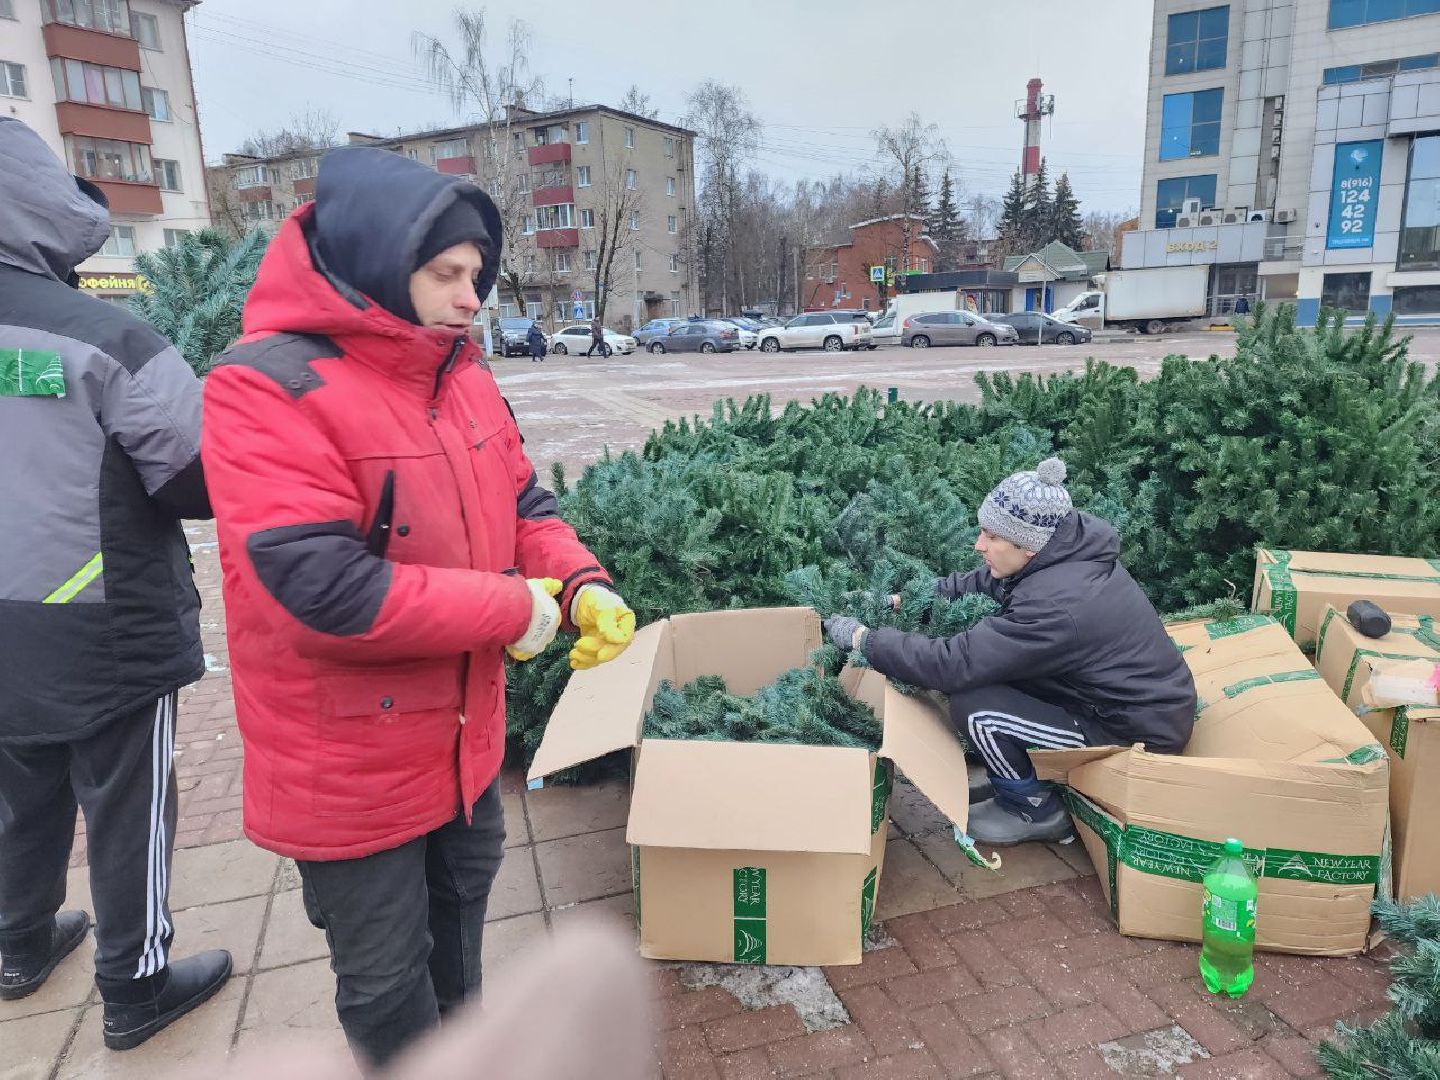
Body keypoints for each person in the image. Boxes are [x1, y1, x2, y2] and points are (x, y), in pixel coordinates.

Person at [201, 146, 636, 1070]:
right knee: (387, 985)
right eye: (448, 273)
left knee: (462, 953)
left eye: (476, 274)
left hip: (463, 746)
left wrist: (578, 583)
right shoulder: (265, 386)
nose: (471, 295)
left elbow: (526, 506)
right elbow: (323, 590)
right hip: (350, 768)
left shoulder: (460, 374)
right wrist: (511, 610)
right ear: (376, 260)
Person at [0, 118, 231, 1048]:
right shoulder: (105, 336)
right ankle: (135, 988)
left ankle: (17, 946)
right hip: (105, 626)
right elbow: (199, 476)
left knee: (20, 789)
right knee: (129, 805)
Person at [824, 457, 1196, 846]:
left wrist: (864, 639)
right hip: (1111, 698)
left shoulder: (1056, 604)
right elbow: (981, 581)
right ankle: (1021, 778)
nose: (978, 545)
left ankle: (1033, 809)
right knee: (992, 678)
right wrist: (901, 601)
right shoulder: (1060, 552)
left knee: (977, 707)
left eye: (991, 537)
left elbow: (953, 663)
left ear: (1029, 548)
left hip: (1134, 729)